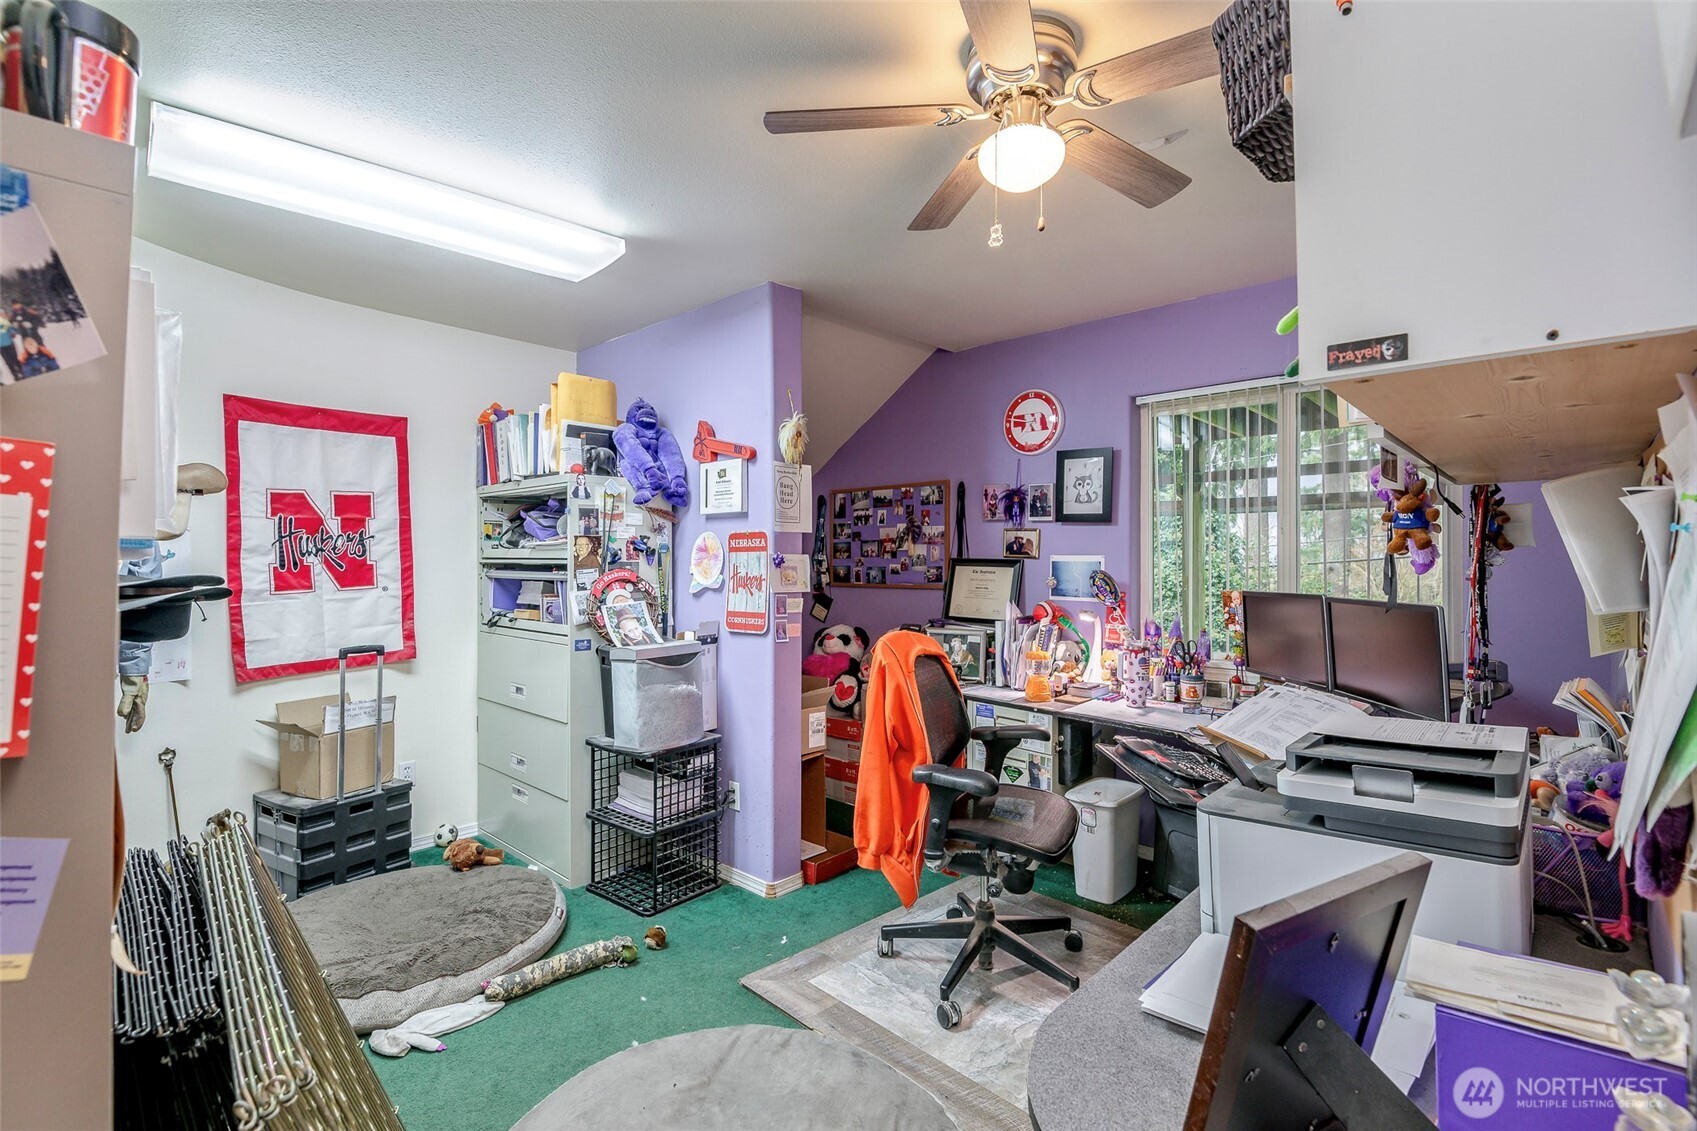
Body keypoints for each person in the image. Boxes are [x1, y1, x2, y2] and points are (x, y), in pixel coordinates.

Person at [0, 312, 19, 382]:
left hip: (9, 343)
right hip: (1, 347)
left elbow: (11, 329)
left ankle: (21, 371)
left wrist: (12, 332)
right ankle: (15, 374)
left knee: (15, 358)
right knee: (8, 361)